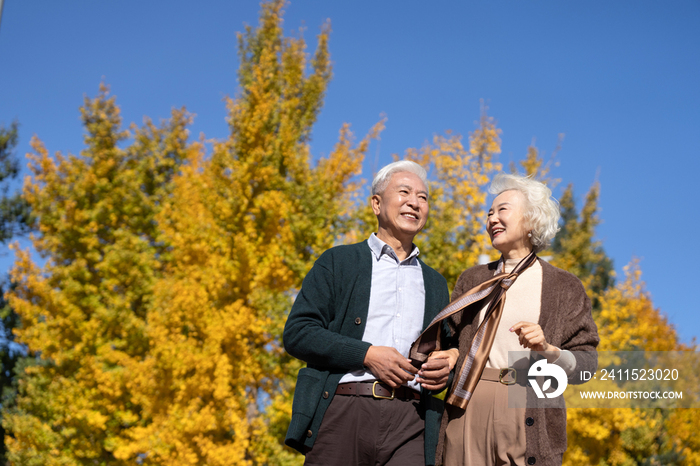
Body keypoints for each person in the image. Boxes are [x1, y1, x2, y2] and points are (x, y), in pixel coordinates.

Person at [283, 160, 453, 466]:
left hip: (412, 421)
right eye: (404, 192)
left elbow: (451, 349)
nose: (415, 202)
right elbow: (298, 333)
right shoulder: (339, 262)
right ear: (376, 203)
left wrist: (446, 368)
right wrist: (367, 354)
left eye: (423, 197)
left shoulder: (436, 283)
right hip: (343, 410)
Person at [431, 173, 599, 466]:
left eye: (503, 210)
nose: (492, 218)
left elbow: (586, 365)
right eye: (489, 213)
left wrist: (549, 350)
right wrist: (451, 353)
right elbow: (451, 340)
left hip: (528, 406)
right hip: (469, 402)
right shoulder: (472, 279)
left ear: (532, 220)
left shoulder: (564, 286)